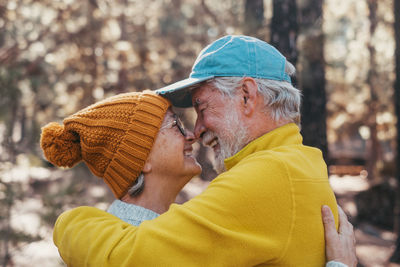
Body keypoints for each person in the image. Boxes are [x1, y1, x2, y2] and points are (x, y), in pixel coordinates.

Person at [51, 35, 357, 266]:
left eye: (202, 107)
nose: (196, 131)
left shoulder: (266, 177)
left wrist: (68, 223)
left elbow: (131, 258)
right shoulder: (298, 163)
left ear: (247, 96)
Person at [40, 91, 201, 225]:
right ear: (141, 157)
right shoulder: (131, 246)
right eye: (175, 125)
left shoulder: (133, 233)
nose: (191, 135)